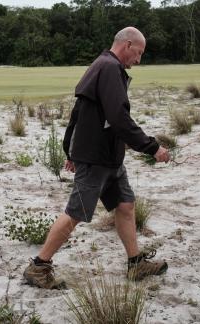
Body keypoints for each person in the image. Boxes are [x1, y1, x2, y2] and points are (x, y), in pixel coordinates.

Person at [23, 26, 170, 289]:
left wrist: (70, 149)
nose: (139, 60)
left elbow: (78, 111)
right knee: (75, 214)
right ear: (127, 45)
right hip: (96, 159)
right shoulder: (109, 68)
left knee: (125, 206)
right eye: (139, 53)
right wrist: (152, 148)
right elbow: (118, 118)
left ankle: (135, 264)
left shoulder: (102, 65)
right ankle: (39, 266)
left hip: (110, 157)